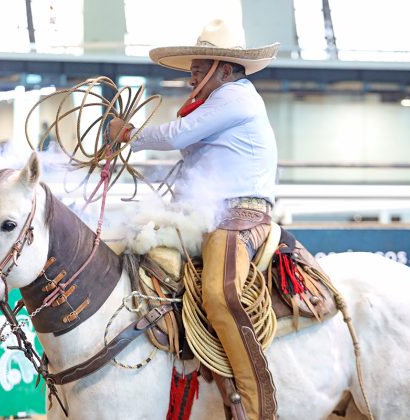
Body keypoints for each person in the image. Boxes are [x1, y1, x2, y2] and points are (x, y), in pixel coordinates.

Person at [109, 19, 280, 420]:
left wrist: (129, 134)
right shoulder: (220, 102)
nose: (192, 74)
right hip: (206, 213)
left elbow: (175, 136)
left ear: (224, 68)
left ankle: (257, 408)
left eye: (200, 67)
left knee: (221, 296)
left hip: (239, 214)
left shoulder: (236, 98)